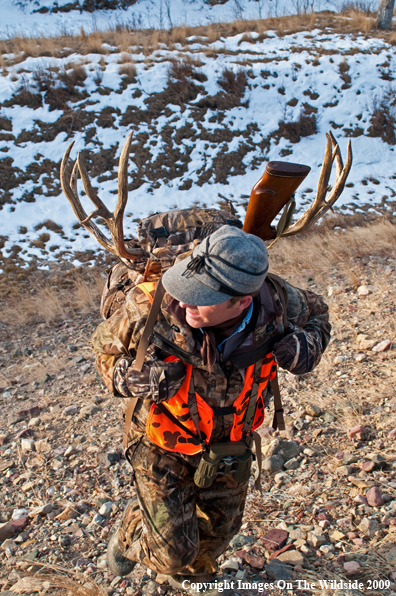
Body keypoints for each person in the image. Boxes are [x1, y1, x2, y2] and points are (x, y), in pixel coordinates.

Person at [91, 225, 330, 593]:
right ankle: (132, 534)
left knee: (217, 538)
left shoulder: (281, 302)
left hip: (231, 442)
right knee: (171, 552)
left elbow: (319, 317)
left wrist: (307, 346)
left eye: (200, 297)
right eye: (185, 288)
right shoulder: (147, 308)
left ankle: (191, 576)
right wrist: (138, 378)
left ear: (242, 302)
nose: (184, 302)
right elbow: (103, 353)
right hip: (160, 442)